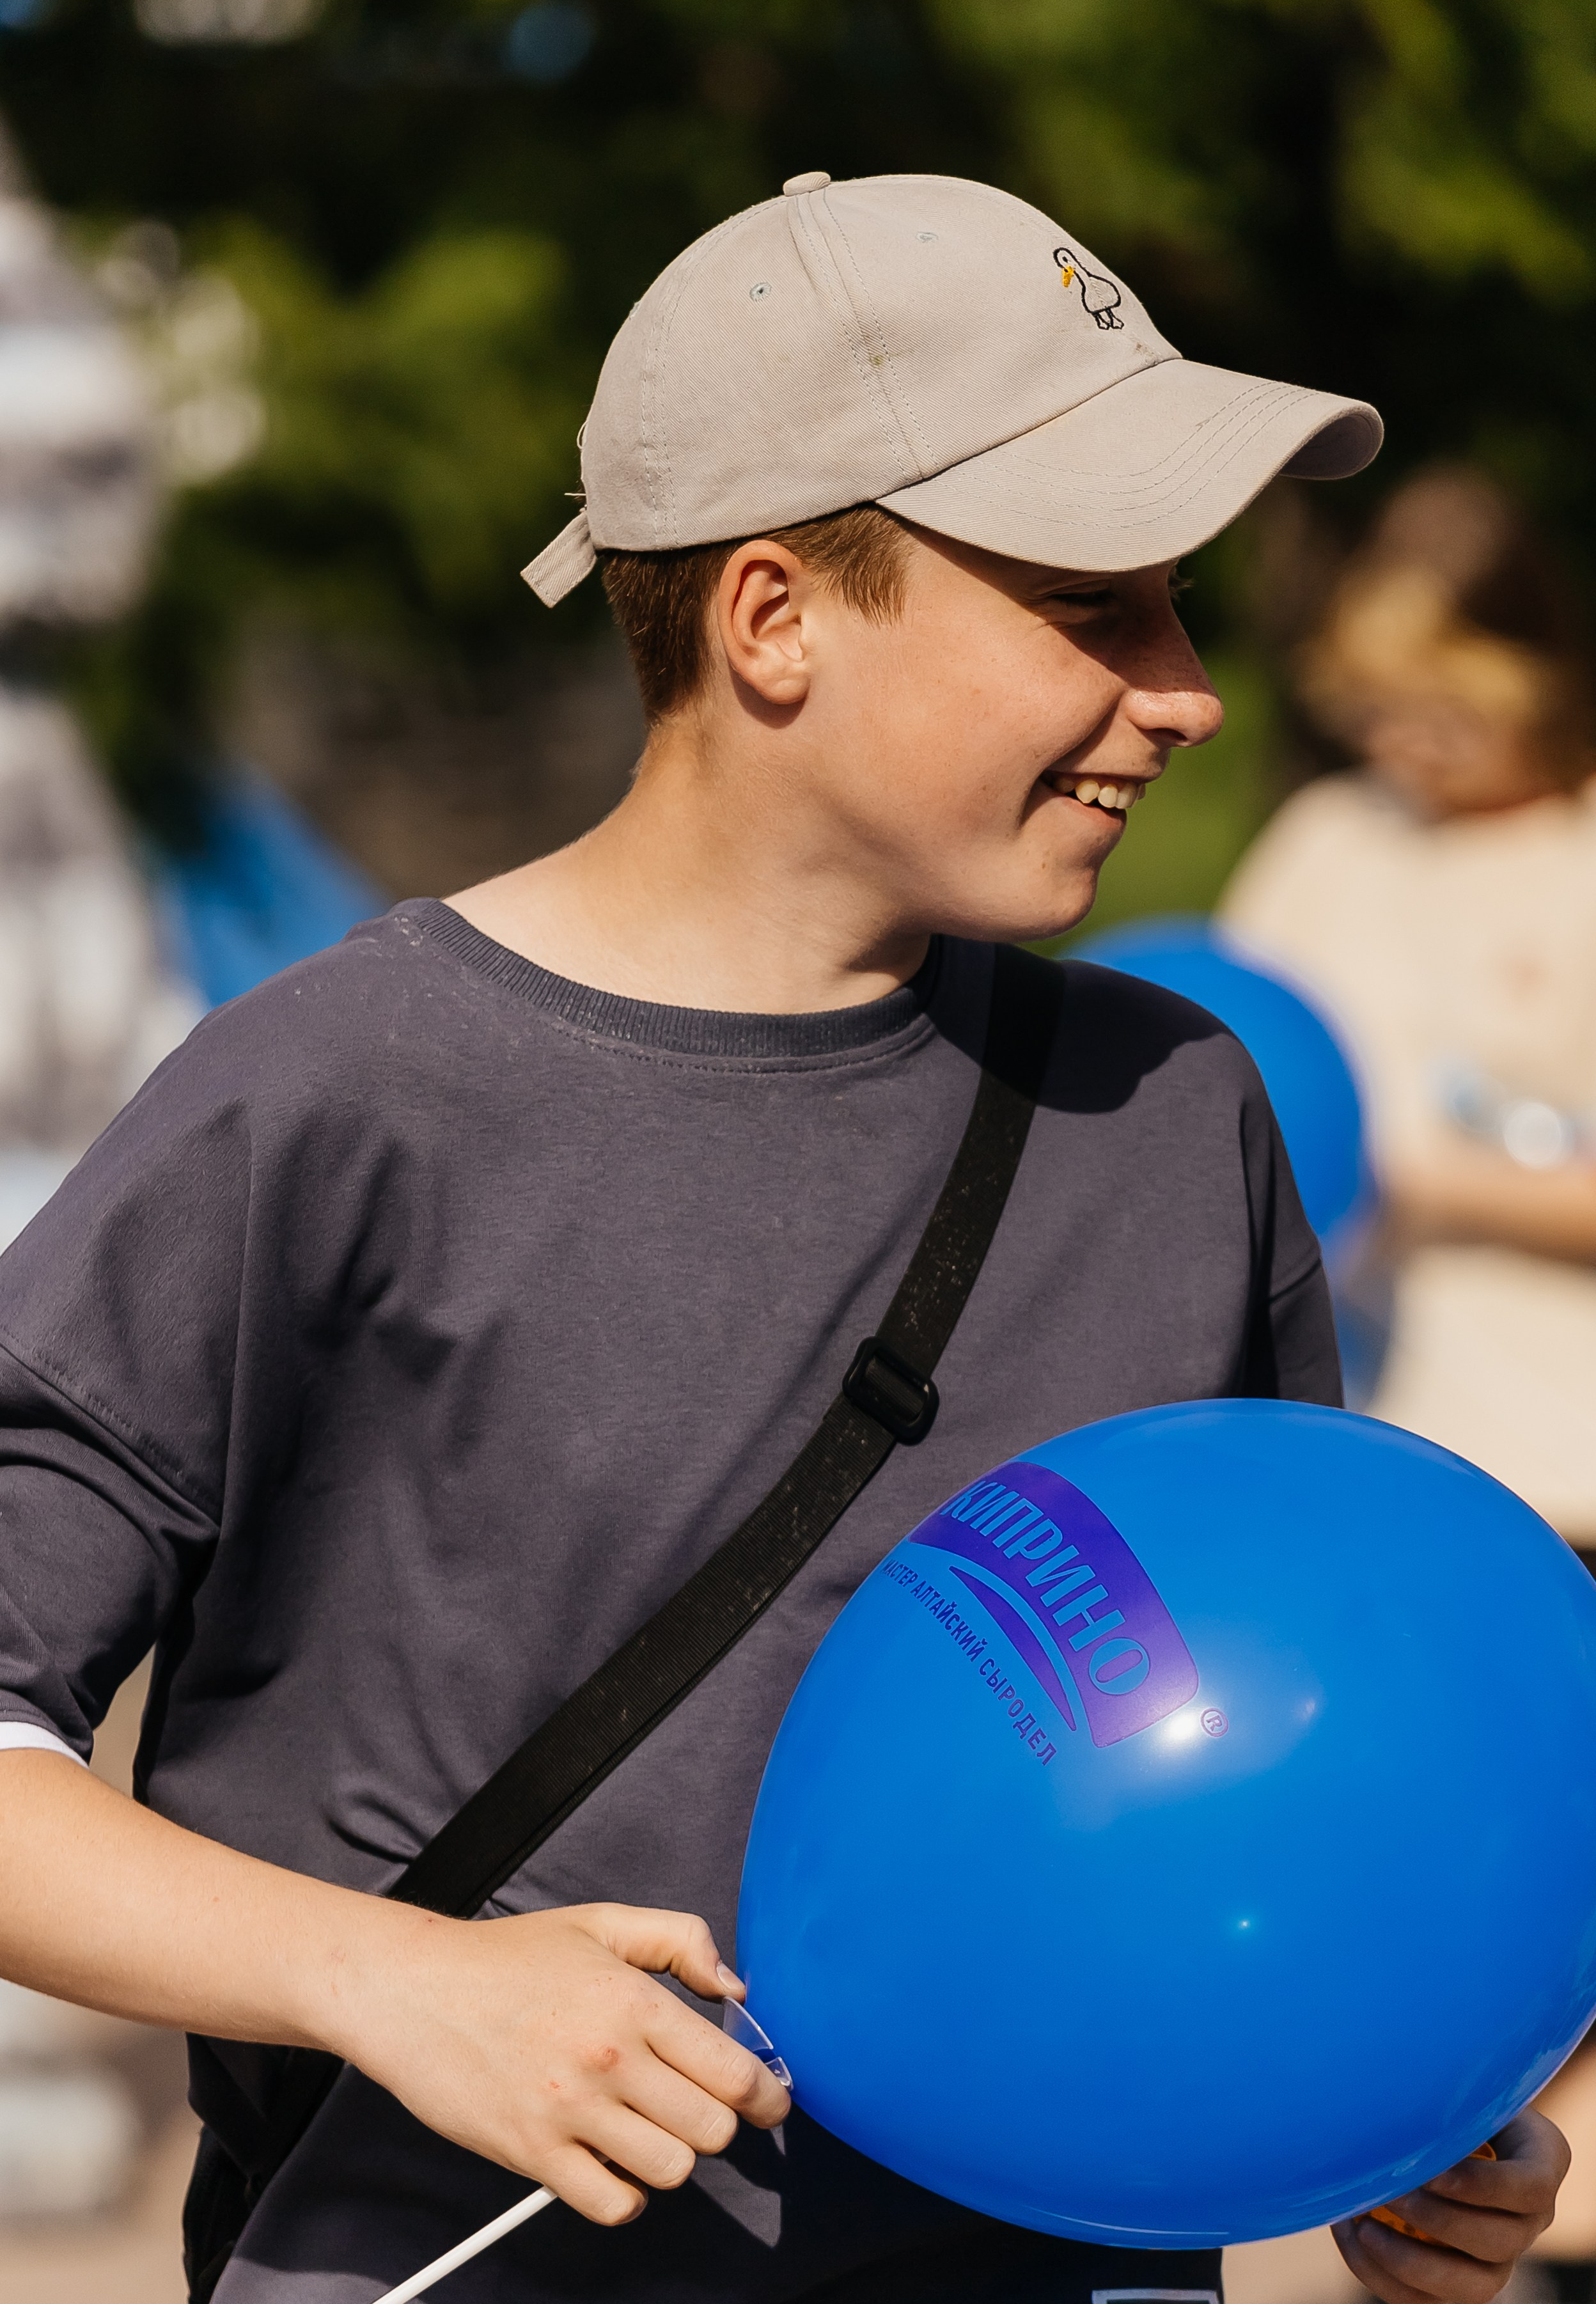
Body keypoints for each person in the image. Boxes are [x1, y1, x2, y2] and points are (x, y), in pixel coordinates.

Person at [0, 175, 1565, 2304]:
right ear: (772, 620)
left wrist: (1392, 2122)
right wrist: (386, 1983)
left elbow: (1295, 1751)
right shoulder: (333, 1095)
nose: (1190, 693)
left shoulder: (1178, 1113)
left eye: (1185, 608)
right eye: (1101, 608)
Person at [1220, 463, 1596, 2296]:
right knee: (1450, 1947)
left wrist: (1436, 1179)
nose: (1412, 733)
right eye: (1375, 694)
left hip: (1576, 1474)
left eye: (1449, 683)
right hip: (1388, 1482)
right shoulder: (1329, 850)